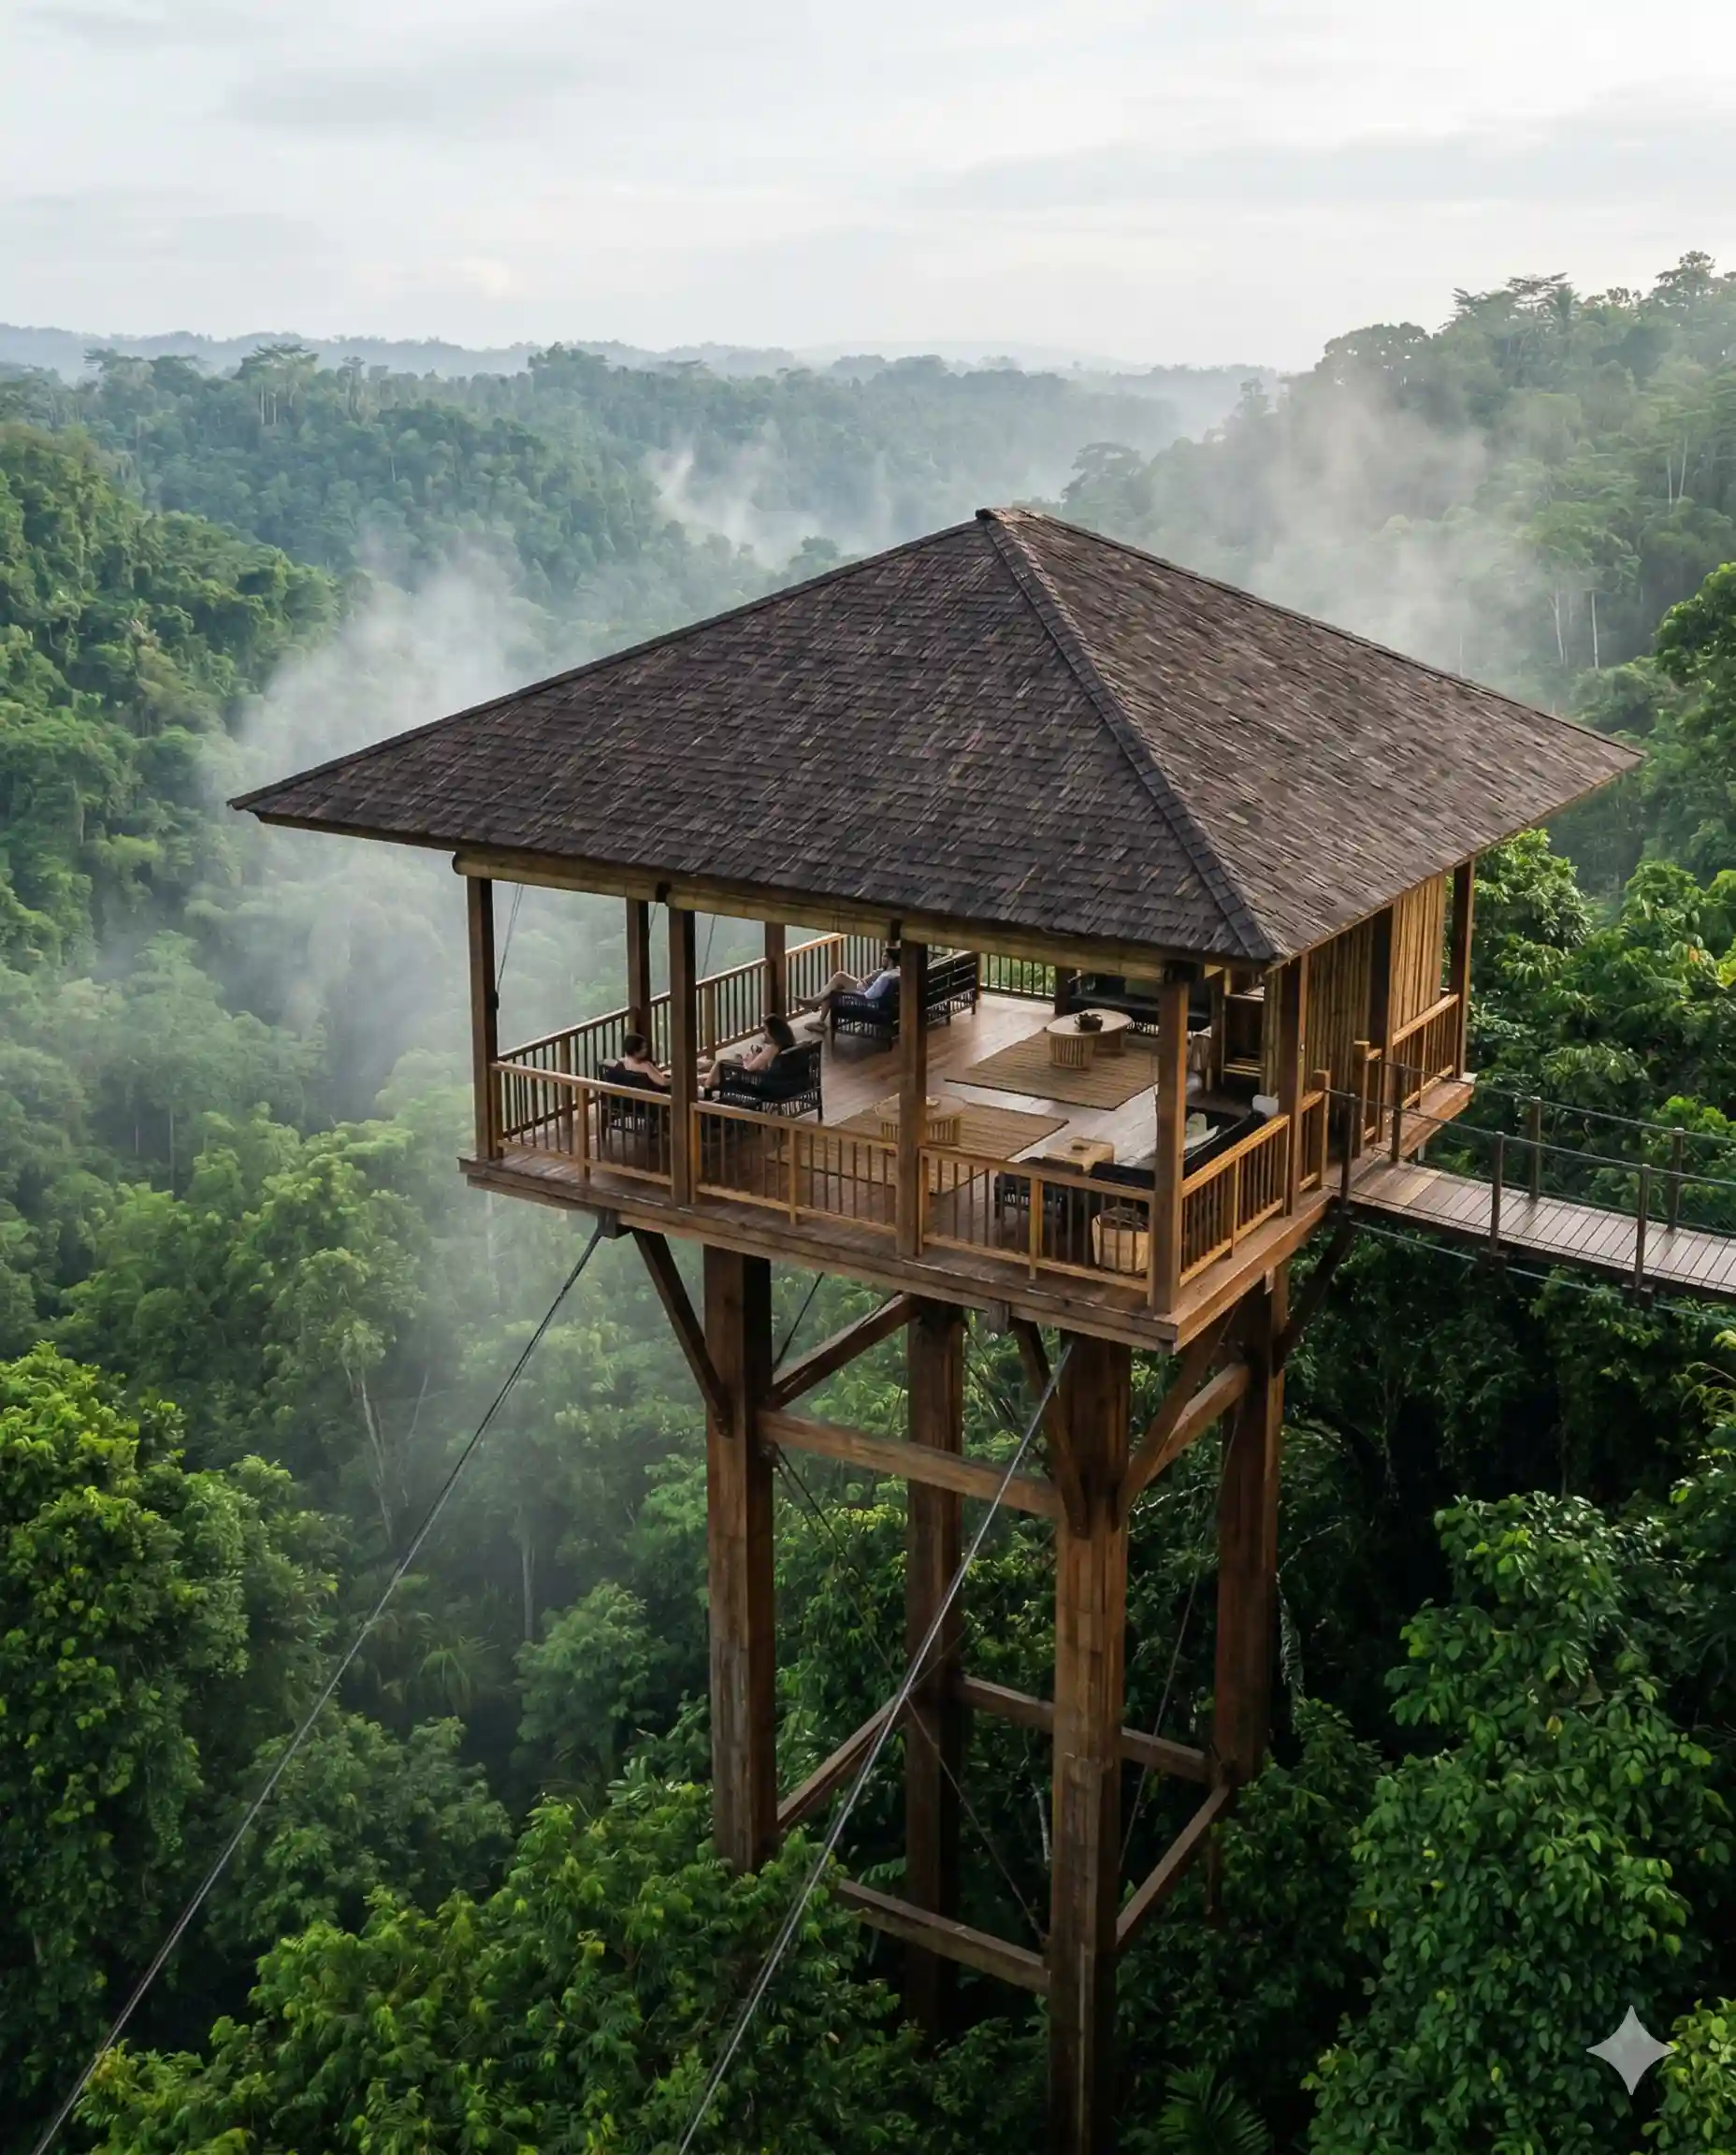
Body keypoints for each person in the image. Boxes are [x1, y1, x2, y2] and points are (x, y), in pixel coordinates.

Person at [702, 1013, 796, 1092]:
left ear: (774, 1032)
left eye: (766, 1030)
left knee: (721, 1063)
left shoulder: (772, 1049)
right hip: (783, 1084)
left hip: (760, 1085)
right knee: (718, 1069)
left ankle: (707, 1090)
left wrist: (747, 1059)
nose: (764, 1033)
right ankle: (701, 1081)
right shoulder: (789, 1045)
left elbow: (749, 1068)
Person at [807, 946, 901, 1021]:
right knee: (835, 985)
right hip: (871, 994)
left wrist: (864, 983)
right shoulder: (895, 972)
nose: (882, 958)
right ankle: (818, 1011)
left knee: (838, 979)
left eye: (884, 956)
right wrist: (871, 978)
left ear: (890, 960)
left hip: (863, 998)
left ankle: (815, 1004)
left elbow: (869, 995)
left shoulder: (885, 977)